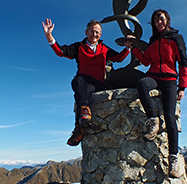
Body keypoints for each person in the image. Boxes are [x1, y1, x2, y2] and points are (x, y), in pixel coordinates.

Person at [42, 18, 132, 146]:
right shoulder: (79, 47)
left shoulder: (104, 48)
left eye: (97, 32)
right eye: (92, 31)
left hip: (98, 82)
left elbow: (118, 58)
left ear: (100, 35)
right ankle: (83, 117)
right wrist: (49, 35)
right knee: (79, 85)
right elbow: (60, 51)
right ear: (86, 32)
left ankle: (79, 129)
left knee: (80, 94)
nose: (94, 34)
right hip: (83, 81)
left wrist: (127, 48)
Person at [131, 9, 187, 178]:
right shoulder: (153, 40)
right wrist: (134, 49)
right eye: (156, 20)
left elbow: (183, 62)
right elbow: (146, 61)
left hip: (170, 79)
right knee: (142, 83)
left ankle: (173, 159)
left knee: (170, 117)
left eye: (161, 19)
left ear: (167, 20)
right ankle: (153, 119)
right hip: (154, 76)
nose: (159, 22)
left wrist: (182, 87)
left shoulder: (176, 38)